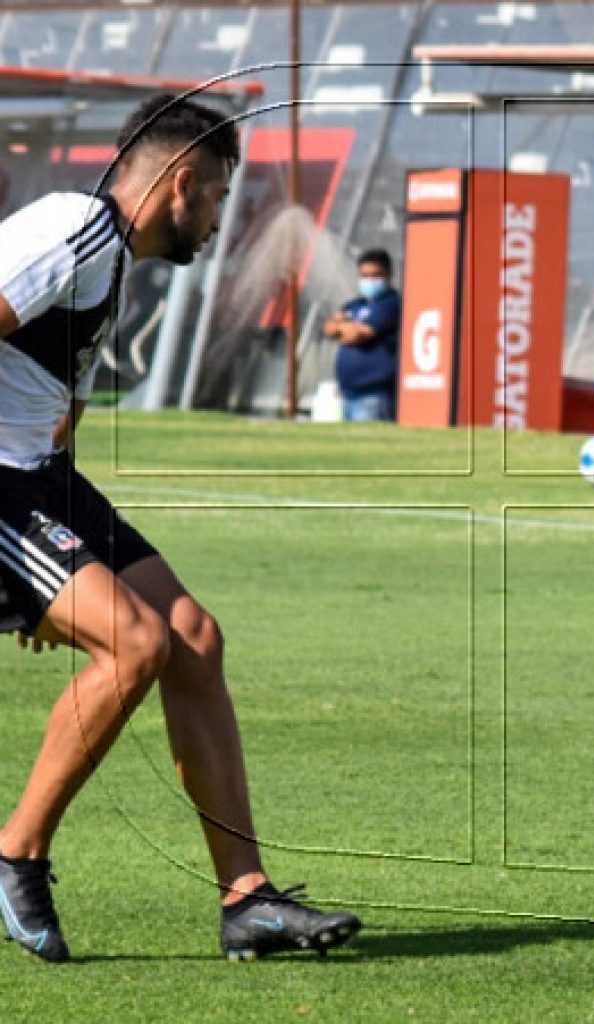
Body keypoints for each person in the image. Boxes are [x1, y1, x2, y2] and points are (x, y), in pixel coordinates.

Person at [0, 93, 361, 962]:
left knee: (192, 637)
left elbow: (59, 407)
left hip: (42, 481)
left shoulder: (107, 256)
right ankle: (16, 853)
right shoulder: (74, 231)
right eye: (219, 198)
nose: (217, 221)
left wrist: (54, 578)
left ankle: (248, 899)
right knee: (135, 644)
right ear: (182, 182)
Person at [322, 248, 401, 422]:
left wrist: (341, 326)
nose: (370, 281)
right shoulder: (355, 304)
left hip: (373, 396)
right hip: (348, 395)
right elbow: (328, 327)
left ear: (388, 275)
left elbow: (356, 335)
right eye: (365, 276)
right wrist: (344, 327)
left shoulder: (390, 304)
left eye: (376, 275)